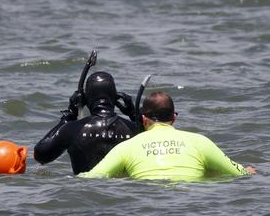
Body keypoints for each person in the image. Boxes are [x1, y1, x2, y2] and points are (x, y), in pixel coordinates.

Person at [79, 91, 255, 181]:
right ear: (174, 118)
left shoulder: (126, 147)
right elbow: (239, 173)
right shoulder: (200, 142)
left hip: (147, 204)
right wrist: (249, 171)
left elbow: (92, 177)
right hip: (190, 205)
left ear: (143, 119)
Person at [34, 71, 137, 174]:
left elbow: (41, 155)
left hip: (85, 186)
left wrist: (68, 116)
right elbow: (152, 135)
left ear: (84, 99)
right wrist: (135, 115)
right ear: (116, 98)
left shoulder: (72, 129)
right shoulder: (136, 130)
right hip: (122, 187)